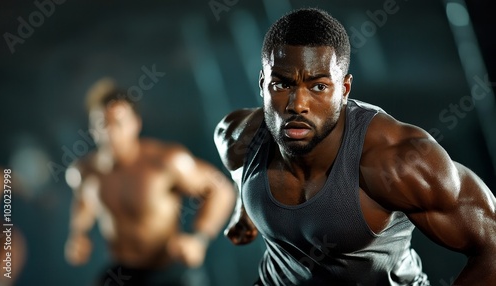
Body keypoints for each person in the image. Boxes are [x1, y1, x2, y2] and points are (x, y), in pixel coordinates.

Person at [214, 8, 496, 286]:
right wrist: (243, 208)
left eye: (319, 87)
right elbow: (237, 167)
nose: (297, 105)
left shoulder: (398, 158)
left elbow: (492, 247)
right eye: (282, 85)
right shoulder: (240, 137)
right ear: (263, 85)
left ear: (345, 90)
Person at [64, 79, 235, 286]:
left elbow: (220, 189)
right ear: (92, 128)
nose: (110, 133)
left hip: (170, 272)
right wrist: (79, 233)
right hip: (123, 272)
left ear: (135, 124)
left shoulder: (165, 161)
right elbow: (84, 202)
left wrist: (199, 239)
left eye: (118, 123)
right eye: (102, 124)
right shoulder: (85, 172)